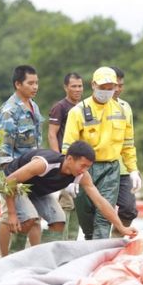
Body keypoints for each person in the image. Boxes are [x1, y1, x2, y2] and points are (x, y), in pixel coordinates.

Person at [4, 141, 138, 254]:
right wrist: (12, 214)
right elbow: (9, 181)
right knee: (29, 218)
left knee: (59, 221)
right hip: (16, 186)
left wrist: (121, 227)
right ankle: (13, 257)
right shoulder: (44, 164)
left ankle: (43, 258)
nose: (84, 170)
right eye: (83, 165)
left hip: (37, 191)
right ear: (69, 159)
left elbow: (100, 201)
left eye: (88, 167)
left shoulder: (82, 175)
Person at [62, 67, 142, 240]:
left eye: (110, 88)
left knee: (103, 216)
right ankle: (92, 245)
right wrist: (70, 177)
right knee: (86, 217)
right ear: (93, 85)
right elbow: (68, 147)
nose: (106, 92)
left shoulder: (121, 110)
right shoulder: (78, 111)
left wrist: (133, 170)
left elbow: (128, 144)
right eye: (102, 87)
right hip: (84, 169)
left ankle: (102, 252)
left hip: (110, 169)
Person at [0, 65, 43, 256]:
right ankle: (5, 258)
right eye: (30, 83)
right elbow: (3, 150)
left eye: (36, 82)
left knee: (34, 218)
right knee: (10, 217)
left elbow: (37, 142)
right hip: (13, 173)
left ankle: (37, 258)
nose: (35, 87)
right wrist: (9, 184)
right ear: (18, 84)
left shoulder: (34, 106)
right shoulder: (9, 111)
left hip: (32, 172)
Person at [48, 72, 84, 240]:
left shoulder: (85, 106)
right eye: (74, 86)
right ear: (65, 87)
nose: (77, 89)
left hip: (82, 164)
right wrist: (59, 159)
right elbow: (52, 134)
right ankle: (60, 242)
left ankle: (72, 242)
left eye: (80, 86)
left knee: (78, 204)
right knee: (67, 203)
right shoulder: (60, 107)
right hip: (67, 162)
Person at [109, 66, 139, 238]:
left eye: (121, 85)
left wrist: (133, 168)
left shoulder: (125, 107)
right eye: (115, 85)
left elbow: (129, 141)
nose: (118, 89)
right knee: (101, 212)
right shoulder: (91, 107)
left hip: (123, 168)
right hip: (101, 166)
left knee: (129, 209)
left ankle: (117, 238)